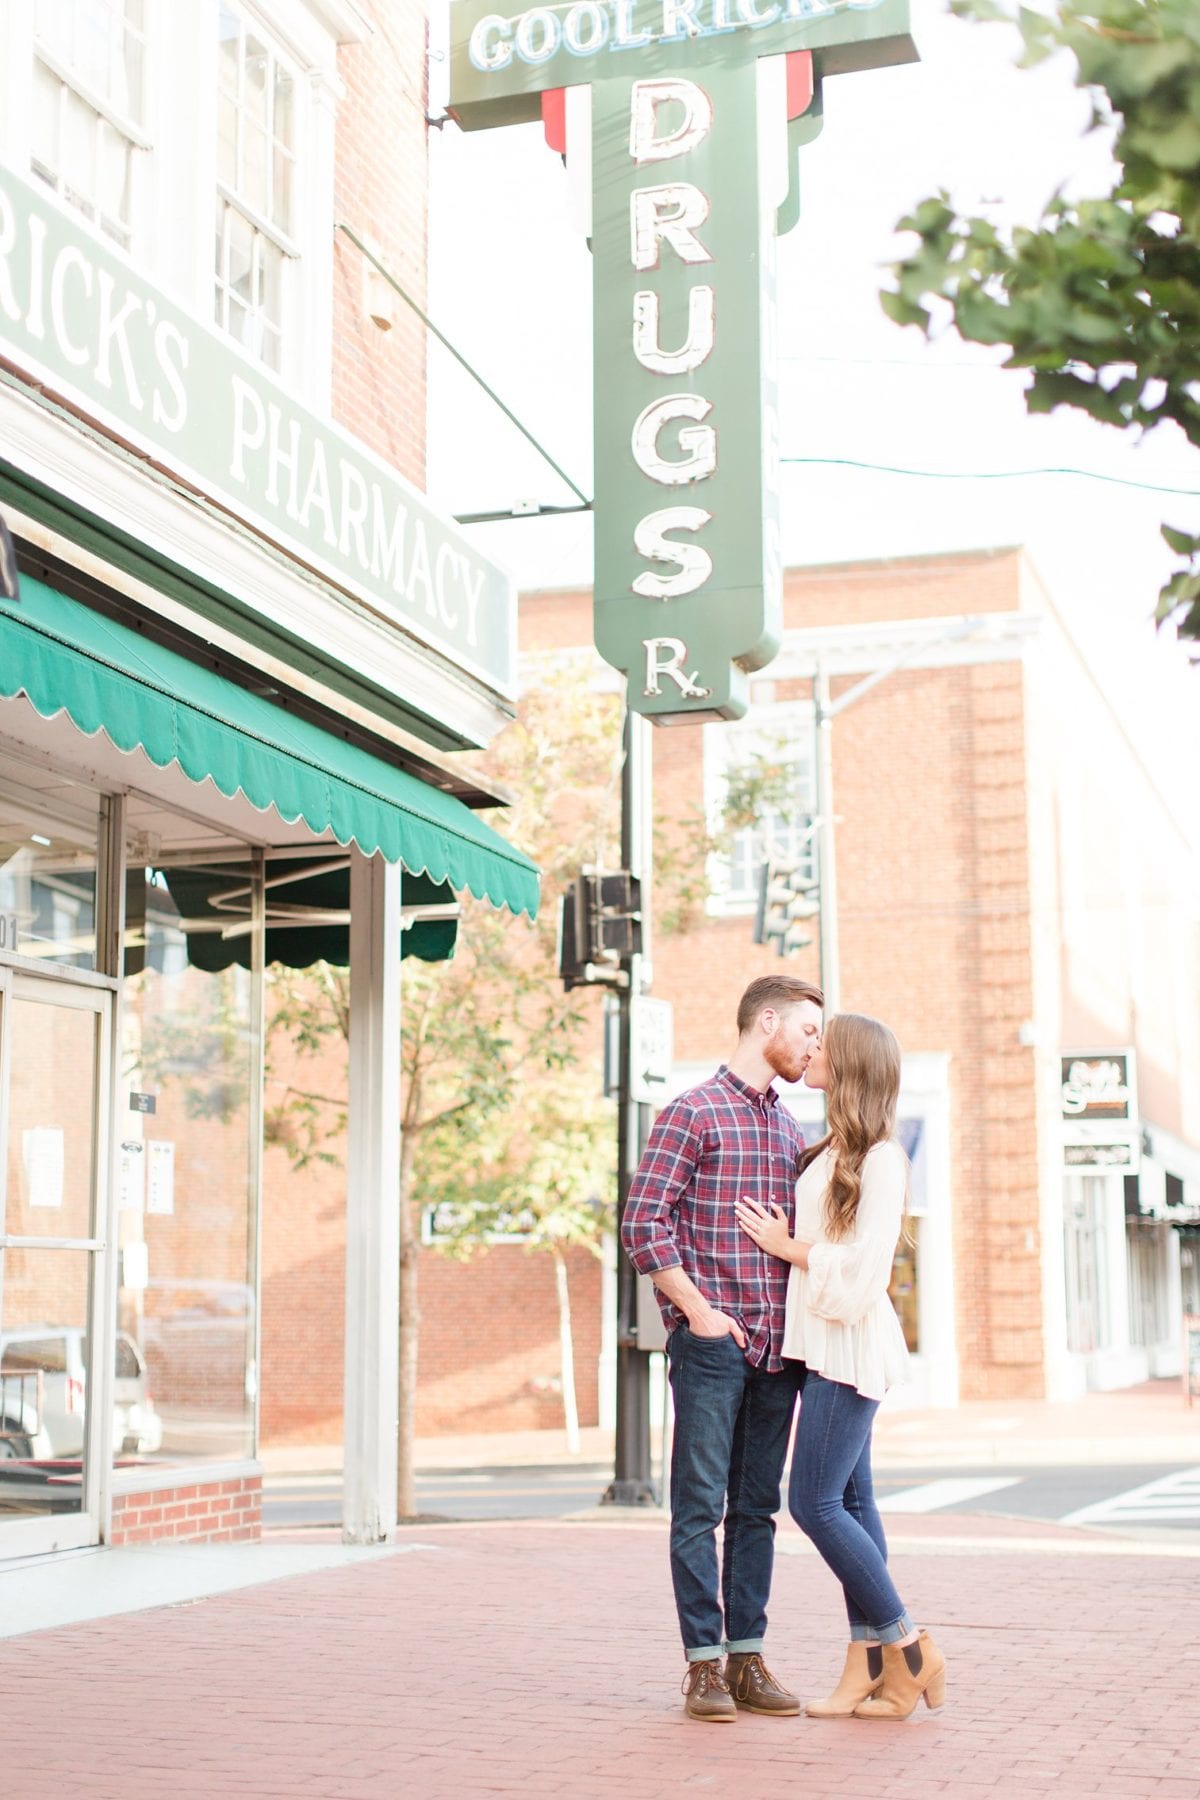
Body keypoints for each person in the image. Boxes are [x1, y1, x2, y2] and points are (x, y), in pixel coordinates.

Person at [621, 974, 824, 1723]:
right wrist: (701, 1314)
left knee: (758, 1512)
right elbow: (643, 1225)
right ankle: (702, 1667)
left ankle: (747, 1659)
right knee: (700, 1507)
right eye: (806, 1030)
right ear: (764, 1021)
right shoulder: (690, 1112)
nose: (813, 1046)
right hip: (712, 1347)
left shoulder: (787, 1130)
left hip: (779, 1352)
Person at [735, 1012, 946, 1722]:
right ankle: (872, 1672)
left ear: (852, 1063)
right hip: (821, 1345)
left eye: (824, 1042)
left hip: (851, 1348)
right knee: (854, 1505)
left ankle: (909, 1648)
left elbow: (863, 1277)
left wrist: (787, 1246)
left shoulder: (883, 1158)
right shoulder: (831, 1150)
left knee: (813, 1504)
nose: (812, 1048)